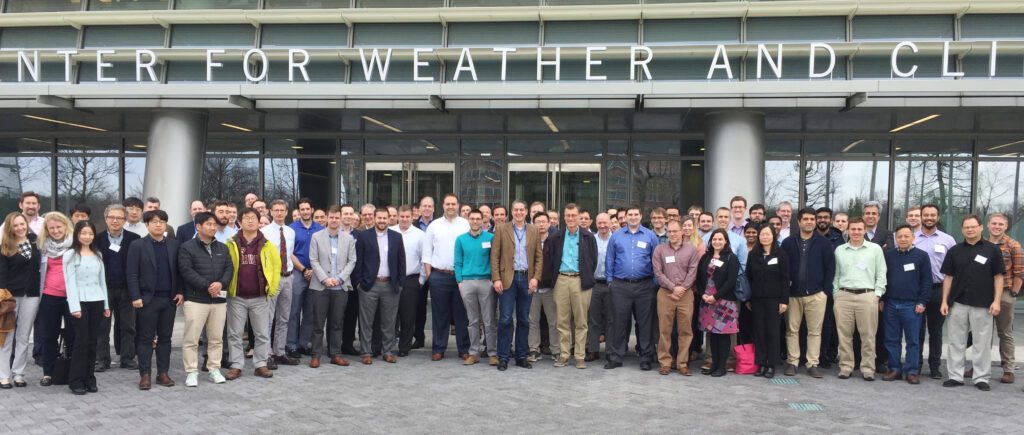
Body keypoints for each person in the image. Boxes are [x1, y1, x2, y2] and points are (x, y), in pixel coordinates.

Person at [940, 215, 1005, 391]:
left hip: (983, 304)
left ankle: (981, 378)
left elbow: (999, 278)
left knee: (982, 342)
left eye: (973, 227)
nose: (970, 230)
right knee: (956, 341)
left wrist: (997, 301)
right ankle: (955, 376)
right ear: (962, 230)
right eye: (966, 227)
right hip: (958, 303)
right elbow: (948, 277)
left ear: (981, 228)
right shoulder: (954, 250)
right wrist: (944, 301)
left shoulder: (992, 250)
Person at [127, 210, 183, 390]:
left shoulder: (174, 245)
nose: (158, 225)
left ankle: (163, 373)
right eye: (154, 222)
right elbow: (132, 273)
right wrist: (135, 296)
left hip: (169, 299)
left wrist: (181, 291)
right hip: (147, 300)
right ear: (147, 225)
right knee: (145, 338)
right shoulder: (138, 245)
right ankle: (145, 375)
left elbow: (179, 271)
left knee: (165, 338)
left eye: (162, 221)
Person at [224, 208, 281, 381]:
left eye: (253, 218)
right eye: (246, 218)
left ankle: (261, 365)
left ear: (259, 222)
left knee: (262, 333)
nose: (250, 221)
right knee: (234, 333)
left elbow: (276, 267)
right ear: (240, 222)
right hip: (237, 296)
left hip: (259, 297)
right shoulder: (231, 243)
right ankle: (236, 365)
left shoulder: (267, 244)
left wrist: (272, 289)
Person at [178, 211, 233, 387]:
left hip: (218, 300)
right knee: (191, 339)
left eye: (214, 224)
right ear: (198, 226)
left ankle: (214, 369)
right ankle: (191, 372)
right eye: (208, 224)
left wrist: (220, 284)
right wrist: (208, 286)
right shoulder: (187, 247)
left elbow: (229, 270)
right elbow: (186, 271)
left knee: (216, 338)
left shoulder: (223, 248)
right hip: (196, 300)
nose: (212, 227)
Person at [780, 207, 835, 379]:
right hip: (793, 294)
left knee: (814, 331)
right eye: (806, 219)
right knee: (791, 330)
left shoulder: (824, 243)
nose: (810, 222)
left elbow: (830, 268)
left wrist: (825, 291)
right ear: (799, 221)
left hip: (816, 294)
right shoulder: (788, 242)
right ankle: (793, 361)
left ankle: (812, 363)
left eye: (813, 219)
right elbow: (783, 269)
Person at [604, 205, 661, 371]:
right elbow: (610, 259)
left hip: (645, 285)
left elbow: (655, 260)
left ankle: (646, 357)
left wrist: (655, 282)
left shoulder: (650, 236)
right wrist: (610, 281)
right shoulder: (616, 236)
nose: (633, 217)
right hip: (620, 285)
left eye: (636, 214)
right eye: (630, 214)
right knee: (619, 322)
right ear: (626, 217)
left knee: (645, 323)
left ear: (641, 216)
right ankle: (616, 357)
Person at [542, 204, 597, 369]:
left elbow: (592, 261)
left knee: (581, 321)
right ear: (564, 217)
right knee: (562, 321)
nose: (571, 218)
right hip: (561, 280)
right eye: (568, 215)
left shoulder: (588, 237)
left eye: (574, 215)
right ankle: (564, 354)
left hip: (580, 281)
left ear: (580, 217)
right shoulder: (556, 237)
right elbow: (550, 261)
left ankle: (580, 356)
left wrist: (585, 276)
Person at [833, 217, 887, 381]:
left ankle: (868, 368)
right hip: (844, 296)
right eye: (853, 229)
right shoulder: (840, 250)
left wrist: (877, 294)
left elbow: (881, 273)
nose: (856, 232)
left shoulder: (875, 249)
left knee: (868, 335)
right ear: (848, 231)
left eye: (859, 229)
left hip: (867, 296)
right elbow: (836, 274)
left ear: (864, 230)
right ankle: (846, 366)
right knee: (844, 335)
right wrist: (836, 293)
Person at [490, 200, 543, 371]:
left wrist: (536, 278)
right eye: (516, 210)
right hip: (507, 280)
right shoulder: (501, 229)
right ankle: (503, 357)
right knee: (505, 319)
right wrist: (496, 278)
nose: (519, 212)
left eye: (522, 209)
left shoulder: (534, 230)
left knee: (524, 319)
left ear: (526, 212)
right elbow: (495, 256)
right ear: (512, 212)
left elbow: (538, 257)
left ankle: (521, 356)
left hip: (526, 279)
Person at [62, 221, 110, 395]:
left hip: (97, 300)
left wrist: (106, 304)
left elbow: (102, 280)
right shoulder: (70, 255)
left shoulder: (97, 254)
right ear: (77, 234)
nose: (87, 237)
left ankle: (90, 378)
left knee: (92, 342)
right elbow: (70, 283)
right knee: (81, 342)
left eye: (90, 233)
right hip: (80, 302)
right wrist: (74, 306)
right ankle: (76, 380)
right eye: (83, 233)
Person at [353, 208, 405, 365]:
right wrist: (359, 283)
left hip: (390, 285)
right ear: (374, 218)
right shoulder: (364, 236)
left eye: (385, 218)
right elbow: (358, 262)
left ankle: (387, 351)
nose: (382, 221)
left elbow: (401, 262)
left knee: (389, 321)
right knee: (366, 321)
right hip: (369, 286)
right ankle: (366, 352)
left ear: (389, 219)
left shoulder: (396, 237)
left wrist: (400, 283)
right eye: (379, 218)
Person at [423, 193, 471, 361]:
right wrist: (430, 277)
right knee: (439, 314)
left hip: (461, 277)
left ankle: (464, 349)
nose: (451, 207)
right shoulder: (434, 226)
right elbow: (427, 253)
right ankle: (438, 348)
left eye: (453, 204)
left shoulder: (466, 225)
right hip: (439, 276)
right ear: (442, 206)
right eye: (448, 204)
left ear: (458, 205)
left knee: (461, 315)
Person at [307, 206, 357, 368]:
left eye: (337, 217)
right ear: (327, 218)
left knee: (337, 324)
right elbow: (313, 260)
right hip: (321, 287)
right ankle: (316, 355)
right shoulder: (316, 236)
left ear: (341, 218)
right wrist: (325, 279)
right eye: (332, 217)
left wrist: (340, 278)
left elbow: (352, 261)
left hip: (340, 288)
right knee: (318, 324)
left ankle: (335, 354)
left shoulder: (348, 238)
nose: (334, 220)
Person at [882, 225, 931, 385]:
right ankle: (895, 368)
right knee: (891, 339)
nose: (902, 239)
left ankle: (911, 371)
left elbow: (926, 281)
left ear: (913, 237)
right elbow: (883, 278)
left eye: (906, 236)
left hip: (912, 305)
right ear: (896, 239)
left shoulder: (922, 256)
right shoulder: (889, 255)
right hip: (890, 303)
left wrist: (922, 301)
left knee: (913, 340)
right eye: (899, 237)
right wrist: (882, 299)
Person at [94, 204, 141, 372]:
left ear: (125, 220)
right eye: (112, 217)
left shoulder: (135, 239)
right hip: (104, 289)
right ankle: (102, 359)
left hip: (127, 289)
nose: (115, 221)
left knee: (128, 325)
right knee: (102, 326)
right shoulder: (96, 239)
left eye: (119, 218)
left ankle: (127, 358)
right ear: (106, 219)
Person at [913, 203, 956, 379]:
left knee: (936, 332)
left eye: (932, 215)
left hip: (939, 290)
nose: (929, 218)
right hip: (916, 291)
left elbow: (954, 269)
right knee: (917, 330)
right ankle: (915, 365)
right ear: (921, 217)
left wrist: (949, 296)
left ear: (938, 217)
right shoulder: (912, 238)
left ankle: (935, 367)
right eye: (926, 215)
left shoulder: (948, 240)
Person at [653, 219, 700, 376]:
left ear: (682, 232)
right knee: (664, 330)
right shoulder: (659, 250)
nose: (672, 234)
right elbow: (658, 273)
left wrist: (682, 289)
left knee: (685, 330)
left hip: (686, 294)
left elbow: (693, 271)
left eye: (675, 231)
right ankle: (665, 362)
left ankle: (682, 363)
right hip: (665, 293)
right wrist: (673, 288)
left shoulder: (691, 250)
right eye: (669, 231)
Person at [0, 212, 40, 389]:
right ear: (10, 227)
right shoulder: (5, 246)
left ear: (26, 223)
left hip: (31, 294)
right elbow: (2, 273)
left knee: (24, 336)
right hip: (10, 296)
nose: (19, 228)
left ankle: (19, 374)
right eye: (15, 225)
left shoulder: (35, 241)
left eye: (22, 224)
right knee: (7, 336)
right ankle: (4, 375)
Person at [35, 212, 74, 387]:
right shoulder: (42, 246)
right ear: (47, 230)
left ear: (66, 226)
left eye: (59, 227)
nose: (56, 230)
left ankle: (74, 371)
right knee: (49, 335)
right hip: (50, 296)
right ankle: (48, 373)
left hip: (72, 297)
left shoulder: (76, 244)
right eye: (52, 228)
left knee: (74, 335)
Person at [454, 209, 497, 366]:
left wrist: (493, 279)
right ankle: (474, 352)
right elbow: (458, 262)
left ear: (483, 220)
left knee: (489, 320)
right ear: (468, 220)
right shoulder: (460, 240)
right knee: (472, 321)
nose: (475, 221)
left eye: (478, 218)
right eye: (472, 218)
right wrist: (460, 282)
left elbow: (495, 260)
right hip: (467, 283)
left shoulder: (491, 238)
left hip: (486, 282)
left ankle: (492, 352)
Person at [746, 224, 789, 378]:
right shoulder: (753, 255)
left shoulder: (781, 254)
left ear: (773, 236)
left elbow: (785, 279)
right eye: (762, 234)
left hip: (774, 300)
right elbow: (748, 277)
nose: (765, 237)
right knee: (759, 332)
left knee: (772, 332)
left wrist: (784, 300)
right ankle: (761, 363)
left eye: (768, 234)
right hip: (757, 299)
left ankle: (771, 364)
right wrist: (749, 298)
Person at [696, 229, 740, 377]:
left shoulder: (731, 258)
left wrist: (716, 296)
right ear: (711, 241)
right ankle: (714, 364)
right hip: (707, 301)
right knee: (712, 335)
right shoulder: (706, 257)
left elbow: (731, 281)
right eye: (715, 239)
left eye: (720, 239)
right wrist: (703, 294)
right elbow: (700, 278)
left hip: (724, 302)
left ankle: (722, 366)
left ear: (726, 241)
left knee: (723, 335)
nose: (717, 242)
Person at [261, 200, 299, 367]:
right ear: (270, 211)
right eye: (275, 210)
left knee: (284, 317)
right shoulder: (263, 232)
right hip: (272, 278)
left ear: (287, 211)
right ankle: (267, 353)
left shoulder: (291, 232)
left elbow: (290, 254)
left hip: (288, 277)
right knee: (268, 318)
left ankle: (280, 352)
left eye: (282, 210)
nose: (279, 213)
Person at [987, 212, 1023, 384]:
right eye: (994, 223)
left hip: (1006, 293)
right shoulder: (982, 244)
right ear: (988, 225)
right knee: (983, 333)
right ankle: (981, 366)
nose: (997, 227)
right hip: (984, 293)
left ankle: (1008, 369)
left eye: (1000, 224)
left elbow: (1019, 273)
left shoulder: (1013, 245)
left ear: (1006, 226)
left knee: (1005, 332)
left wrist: (1013, 294)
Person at [287, 198, 324, 359]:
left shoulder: (321, 229)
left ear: (312, 209)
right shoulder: (291, 229)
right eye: (302, 209)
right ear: (298, 211)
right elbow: (289, 253)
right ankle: (291, 344)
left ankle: (304, 344)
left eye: (307, 209)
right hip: (297, 272)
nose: (305, 211)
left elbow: (324, 252)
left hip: (316, 274)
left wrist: (314, 271)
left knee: (310, 311)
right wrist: (303, 269)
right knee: (294, 310)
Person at [392, 205, 425, 357]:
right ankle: (386, 344)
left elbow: (425, 258)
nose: (404, 219)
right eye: (402, 216)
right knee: (389, 315)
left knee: (408, 316)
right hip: (392, 280)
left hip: (411, 279)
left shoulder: (419, 235)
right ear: (398, 216)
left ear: (412, 217)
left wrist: (421, 280)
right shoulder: (390, 231)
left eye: (407, 216)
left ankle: (404, 347)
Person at [527, 212, 558, 363]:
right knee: (533, 321)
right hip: (532, 288)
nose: (541, 224)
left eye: (544, 222)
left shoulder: (554, 241)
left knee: (553, 321)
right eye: (537, 222)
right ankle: (534, 349)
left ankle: (556, 350)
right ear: (533, 223)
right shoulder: (528, 241)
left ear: (549, 223)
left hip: (549, 288)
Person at [815, 206, 844, 368]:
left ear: (830, 220)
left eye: (826, 217)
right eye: (819, 217)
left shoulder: (838, 238)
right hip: (813, 286)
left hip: (832, 287)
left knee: (829, 323)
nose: (822, 220)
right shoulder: (810, 236)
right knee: (812, 324)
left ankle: (827, 354)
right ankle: (811, 354)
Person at [585, 213, 613, 362]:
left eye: (605, 223)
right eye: (600, 223)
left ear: (610, 223)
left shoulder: (615, 239)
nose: (602, 226)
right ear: (595, 223)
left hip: (610, 284)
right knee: (593, 318)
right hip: (594, 283)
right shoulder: (591, 239)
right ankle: (593, 350)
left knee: (610, 318)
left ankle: (609, 350)